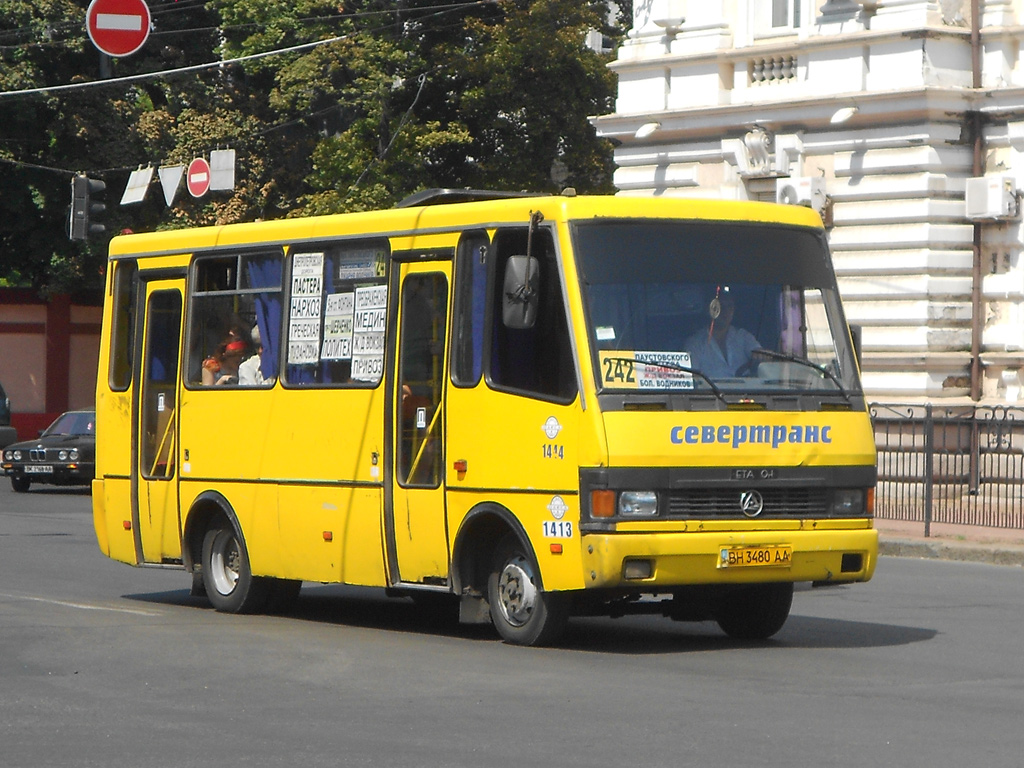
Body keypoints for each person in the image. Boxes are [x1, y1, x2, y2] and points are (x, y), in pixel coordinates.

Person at [685, 288, 762, 378]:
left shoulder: (743, 336)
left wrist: (761, 356)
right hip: (712, 392)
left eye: (730, 306)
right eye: (720, 306)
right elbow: (692, 378)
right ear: (710, 310)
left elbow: (760, 354)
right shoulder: (695, 344)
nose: (726, 311)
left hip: (748, 391)